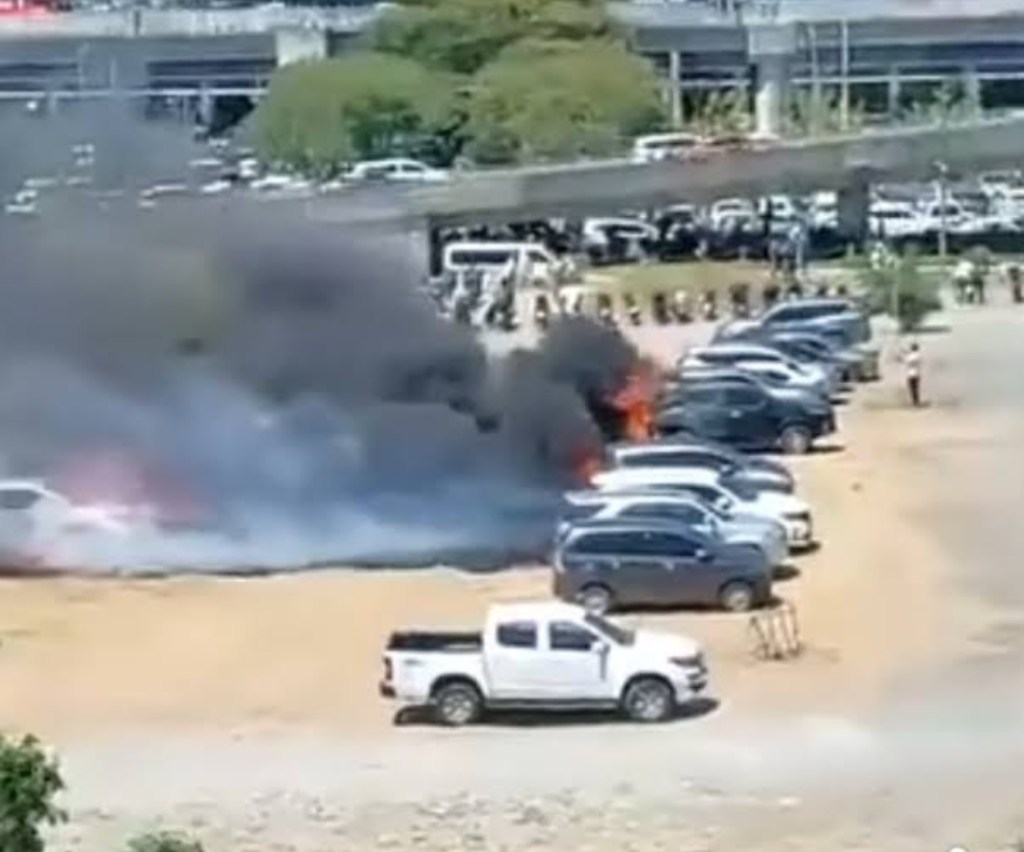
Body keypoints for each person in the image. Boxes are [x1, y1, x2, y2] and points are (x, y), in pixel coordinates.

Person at [904, 341, 922, 407]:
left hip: (910, 374)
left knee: (912, 389)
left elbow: (906, 361)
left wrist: (907, 354)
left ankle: (915, 402)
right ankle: (916, 402)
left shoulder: (910, 356)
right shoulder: (918, 355)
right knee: (916, 389)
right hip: (917, 374)